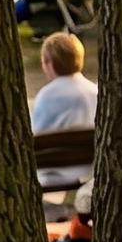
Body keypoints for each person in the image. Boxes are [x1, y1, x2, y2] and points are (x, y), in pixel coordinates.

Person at [31, 29, 98, 191]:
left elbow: (37, 134)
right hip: (90, 172)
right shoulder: (95, 91)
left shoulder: (46, 96)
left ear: (48, 63)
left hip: (53, 174)